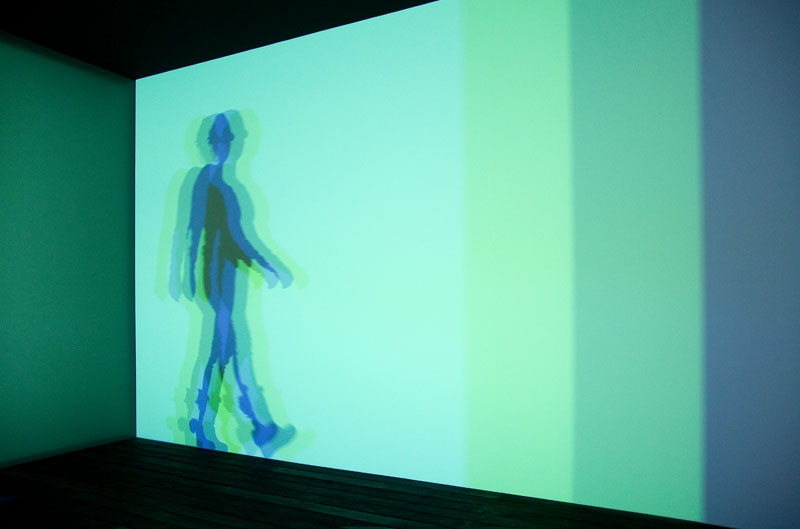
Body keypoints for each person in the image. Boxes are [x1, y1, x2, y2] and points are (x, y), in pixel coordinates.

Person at [175, 111, 294, 457]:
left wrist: (265, 265)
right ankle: (254, 427)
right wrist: (268, 265)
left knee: (222, 351)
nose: (225, 145)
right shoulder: (208, 180)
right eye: (221, 139)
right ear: (212, 143)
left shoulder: (222, 183)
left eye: (227, 139)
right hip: (216, 278)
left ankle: (206, 425)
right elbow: (206, 232)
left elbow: (231, 239)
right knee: (228, 351)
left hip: (225, 277)